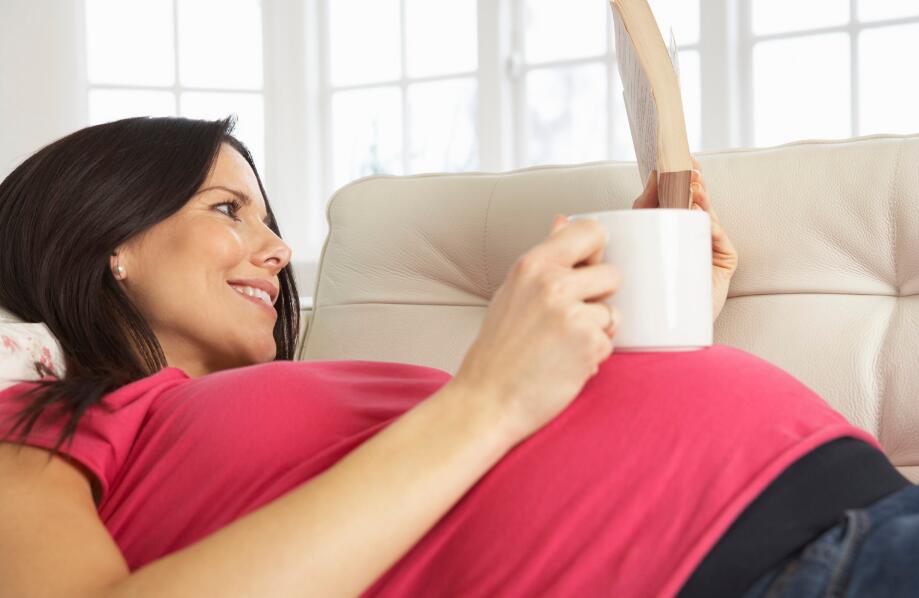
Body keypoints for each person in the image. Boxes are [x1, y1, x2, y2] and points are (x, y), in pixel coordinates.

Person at [0, 115, 914, 598]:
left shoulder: (278, 400)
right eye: (227, 210)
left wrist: (663, 309)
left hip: (850, 509)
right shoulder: (30, 429)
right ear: (108, 236)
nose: (276, 250)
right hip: (765, 570)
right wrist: (484, 398)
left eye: (269, 220)